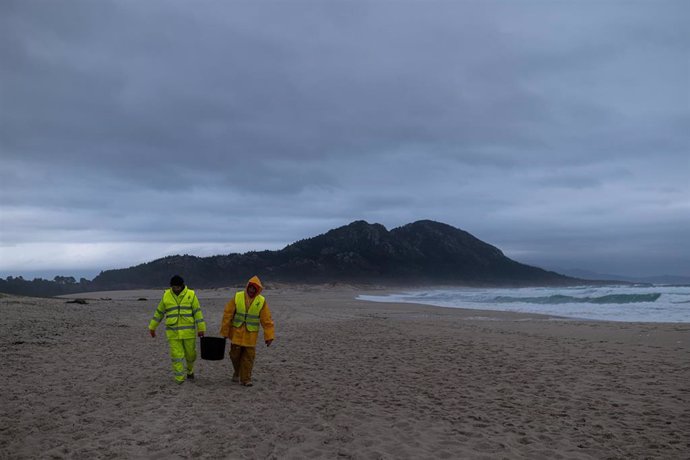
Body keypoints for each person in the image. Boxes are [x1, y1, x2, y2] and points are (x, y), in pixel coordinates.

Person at [148, 275, 206, 384]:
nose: (176, 289)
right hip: (172, 332)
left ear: (182, 285)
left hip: (188, 332)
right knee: (176, 356)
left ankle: (190, 371)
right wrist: (152, 327)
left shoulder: (191, 295)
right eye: (174, 287)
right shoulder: (166, 296)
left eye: (178, 287)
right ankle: (179, 379)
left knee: (191, 355)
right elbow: (159, 313)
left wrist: (201, 328)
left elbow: (197, 312)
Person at [220, 275, 275, 386]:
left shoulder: (261, 301)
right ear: (247, 287)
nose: (251, 290)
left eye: (254, 288)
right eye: (250, 287)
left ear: (257, 290)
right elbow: (227, 315)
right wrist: (225, 332)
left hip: (251, 336)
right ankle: (237, 372)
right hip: (237, 334)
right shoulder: (238, 296)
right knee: (234, 355)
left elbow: (267, 320)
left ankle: (246, 379)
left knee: (248, 358)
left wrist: (269, 336)